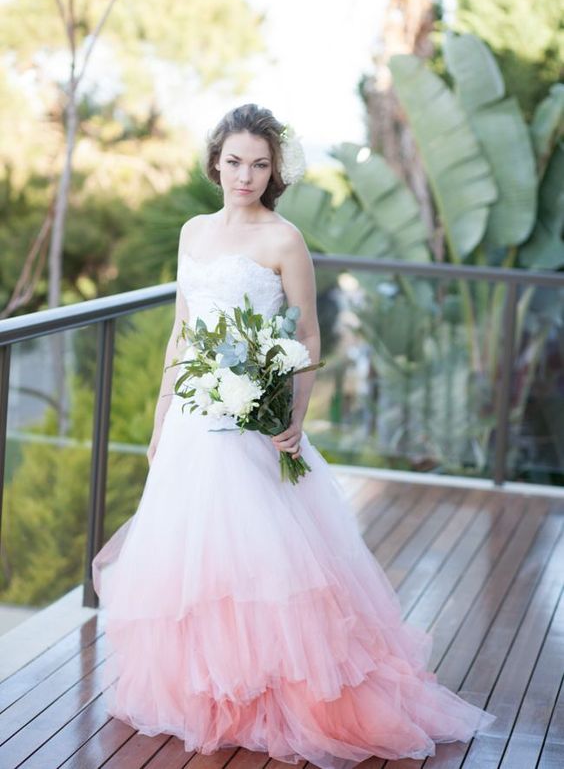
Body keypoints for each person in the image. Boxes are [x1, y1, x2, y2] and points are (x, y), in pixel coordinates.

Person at [92, 103, 496, 768]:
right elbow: (180, 333)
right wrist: (160, 423)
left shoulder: (284, 239)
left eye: (257, 164)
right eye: (232, 162)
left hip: (254, 423)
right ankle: (210, 695)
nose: (243, 175)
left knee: (264, 569)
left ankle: (276, 696)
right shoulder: (193, 232)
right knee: (196, 569)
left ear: (273, 170)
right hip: (194, 420)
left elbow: (307, 338)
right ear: (215, 162)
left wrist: (295, 415)